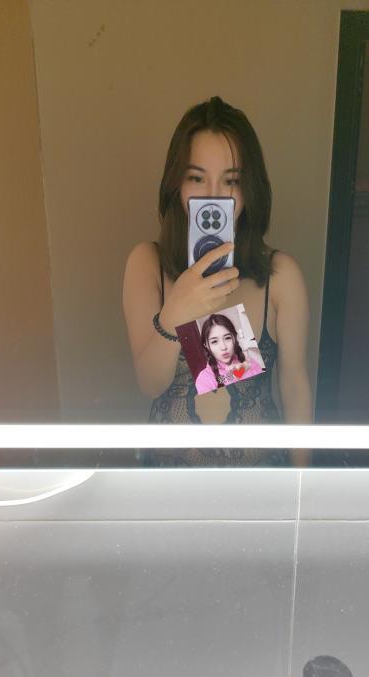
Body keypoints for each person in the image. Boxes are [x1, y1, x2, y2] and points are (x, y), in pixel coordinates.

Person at [122, 96, 311, 466]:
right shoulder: (147, 264)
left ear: (250, 190)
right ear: (176, 185)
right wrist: (177, 311)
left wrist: (301, 487)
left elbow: (295, 388)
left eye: (231, 181)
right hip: (168, 485)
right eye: (196, 178)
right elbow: (150, 384)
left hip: (260, 484)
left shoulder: (280, 276)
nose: (213, 195)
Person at [195, 313, 264, 394]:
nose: (223, 347)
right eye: (214, 341)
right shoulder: (204, 380)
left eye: (227, 338)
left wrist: (243, 370)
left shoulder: (249, 362)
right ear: (206, 345)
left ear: (234, 337)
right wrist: (234, 375)